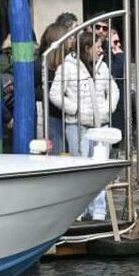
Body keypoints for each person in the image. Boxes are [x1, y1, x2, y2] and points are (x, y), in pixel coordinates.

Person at [49, 31, 118, 218]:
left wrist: (107, 108)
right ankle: (79, 210)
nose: (101, 49)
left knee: (99, 169)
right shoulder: (67, 67)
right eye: (97, 46)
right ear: (87, 49)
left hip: (100, 125)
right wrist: (75, 108)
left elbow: (114, 90)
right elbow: (54, 94)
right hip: (77, 124)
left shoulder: (102, 67)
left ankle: (99, 210)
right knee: (80, 170)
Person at [37, 22, 71, 148]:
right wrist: (51, 94)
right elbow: (34, 91)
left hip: (70, 117)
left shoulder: (70, 62)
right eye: (69, 37)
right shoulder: (40, 65)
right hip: (52, 117)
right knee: (57, 154)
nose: (71, 41)